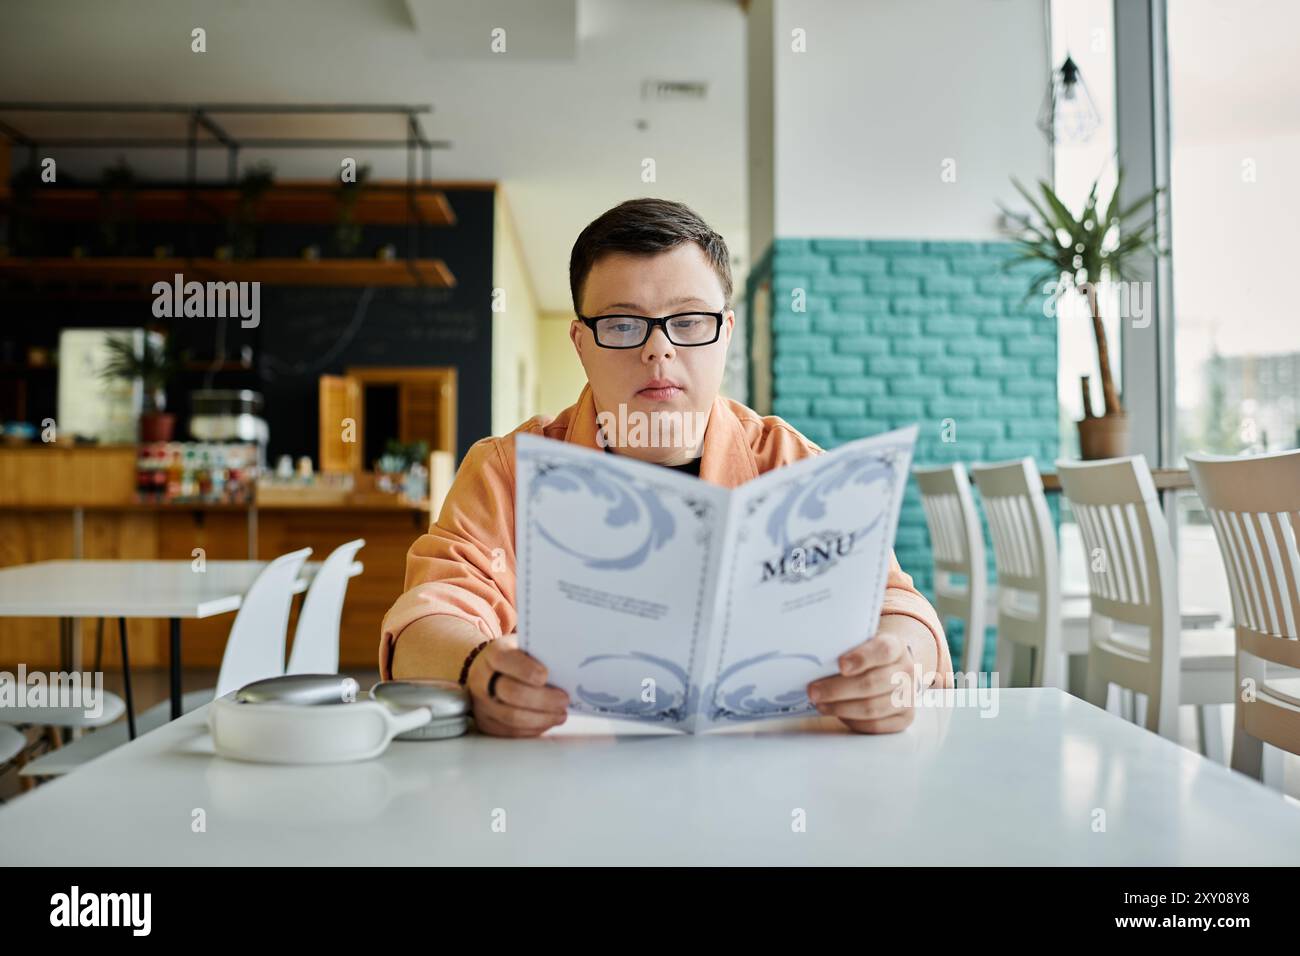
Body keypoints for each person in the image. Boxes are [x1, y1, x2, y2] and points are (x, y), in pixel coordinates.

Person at [380, 197, 952, 737]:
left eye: (689, 321)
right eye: (624, 325)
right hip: (562, 778)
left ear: (725, 333)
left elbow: (901, 610)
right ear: (581, 342)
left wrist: (895, 666)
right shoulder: (506, 471)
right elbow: (420, 628)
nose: (659, 351)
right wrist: (478, 664)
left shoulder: (792, 465)